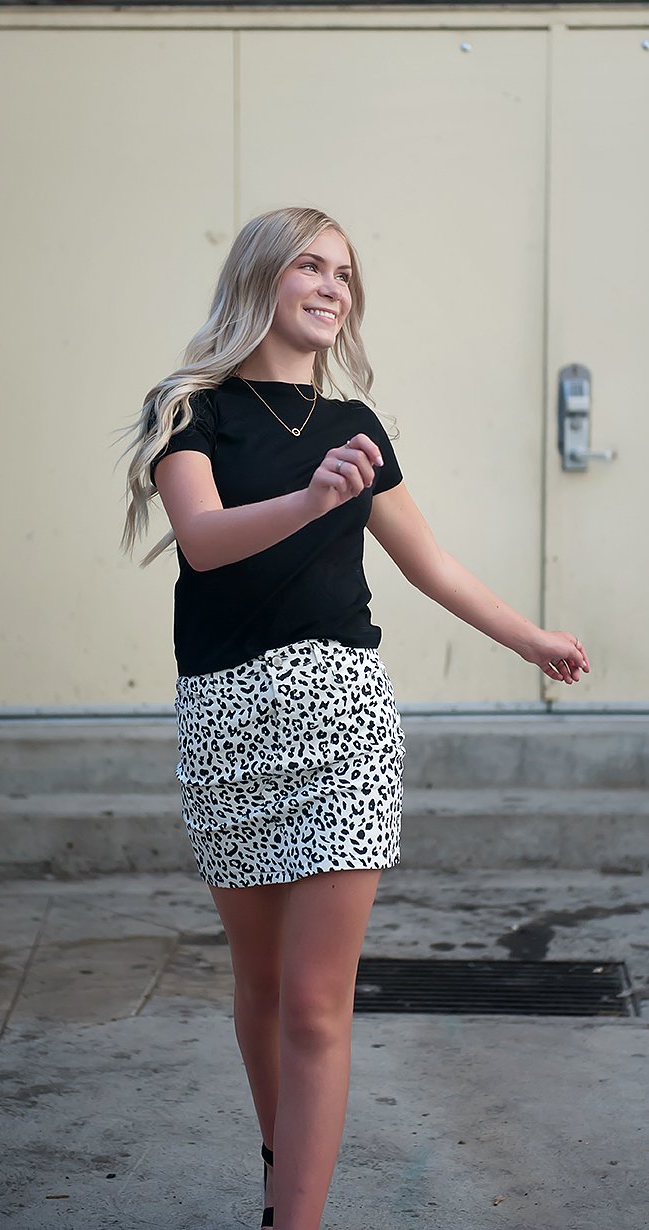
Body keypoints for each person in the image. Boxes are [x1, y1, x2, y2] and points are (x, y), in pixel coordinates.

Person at [120, 206, 589, 1230]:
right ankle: (280, 1170)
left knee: (316, 1003)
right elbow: (201, 541)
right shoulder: (189, 411)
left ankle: (297, 1218)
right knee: (259, 991)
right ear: (259, 279)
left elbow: (433, 565)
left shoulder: (354, 428)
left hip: (340, 718)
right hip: (226, 722)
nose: (333, 287)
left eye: (345, 273)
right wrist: (310, 501)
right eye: (310, 266)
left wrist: (527, 637)